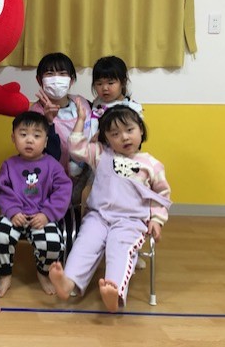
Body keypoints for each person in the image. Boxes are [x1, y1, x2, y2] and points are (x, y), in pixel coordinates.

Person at [49, 100, 172, 312]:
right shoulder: (101, 154)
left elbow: (162, 196)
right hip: (98, 216)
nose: (124, 137)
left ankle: (114, 291)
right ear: (105, 138)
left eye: (129, 130)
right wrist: (81, 120)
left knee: (119, 248)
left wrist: (157, 220)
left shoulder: (151, 164)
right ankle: (68, 283)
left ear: (141, 130)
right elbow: (76, 148)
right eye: (115, 134)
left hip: (130, 221)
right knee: (85, 244)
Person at [0, 111, 72, 297]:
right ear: (13, 138)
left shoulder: (53, 165)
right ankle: (5, 275)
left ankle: (43, 273)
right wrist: (13, 211)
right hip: (15, 215)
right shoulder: (9, 164)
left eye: (36, 136)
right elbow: (2, 189)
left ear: (45, 141)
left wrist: (47, 214)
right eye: (23, 134)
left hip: (41, 216)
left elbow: (63, 190)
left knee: (53, 243)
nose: (29, 140)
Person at [31, 52, 93, 204]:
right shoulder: (34, 113)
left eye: (62, 73)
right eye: (50, 74)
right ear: (39, 80)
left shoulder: (82, 103)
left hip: (85, 179)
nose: (56, 79)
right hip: (53, 184)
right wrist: (47, 121)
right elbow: (35, 153)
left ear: (71, 80)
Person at [89, 55, 143, 138]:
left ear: (123, 82)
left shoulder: (132, 108)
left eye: (110, 83)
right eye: (99, 84)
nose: (104, 88)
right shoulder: (95, 103)